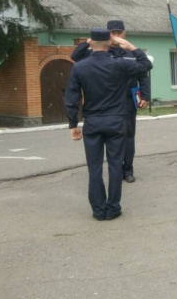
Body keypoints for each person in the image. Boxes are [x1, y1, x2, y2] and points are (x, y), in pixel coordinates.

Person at [65, 29, 153, 220]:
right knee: (114, 166)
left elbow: (72, 99)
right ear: (109, 43)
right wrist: (129, 46)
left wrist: (73, 124)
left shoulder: (80, 67)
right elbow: (146, 65)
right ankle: (113, 208)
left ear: (91, 44)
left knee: (94, 167)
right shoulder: (120, 65)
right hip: (116, 121)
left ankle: (98, 210)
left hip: (93, 122)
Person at [71, 20, 149, 183]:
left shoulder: (129, 53)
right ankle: (113, 170)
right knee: (111, 139)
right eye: (113, 33)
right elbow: (75, 56)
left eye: (120, 33)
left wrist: (145, 96)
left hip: (127, 100)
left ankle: (127, 170)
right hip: (106, 102)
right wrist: (90, 41)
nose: (117, 36)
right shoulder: (98, 51)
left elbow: (143, 73)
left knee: (128, 136)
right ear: (107, 35)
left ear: (124, 34)